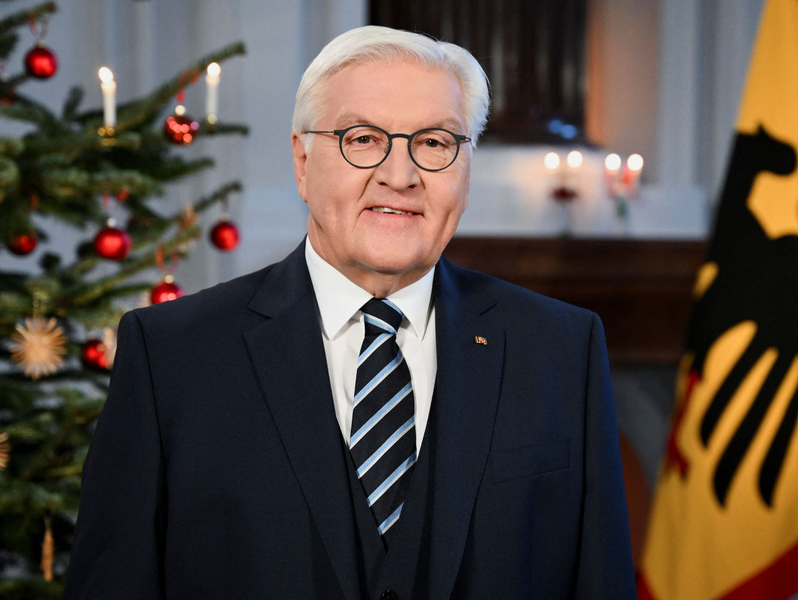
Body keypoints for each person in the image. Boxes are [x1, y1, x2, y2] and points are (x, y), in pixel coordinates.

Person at [64, 26, 635, 599]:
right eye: (363, 139)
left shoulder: (562, 348)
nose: (400, 175)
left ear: (466, 169)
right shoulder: (172, 356)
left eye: (435, 143)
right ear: (302, 161)